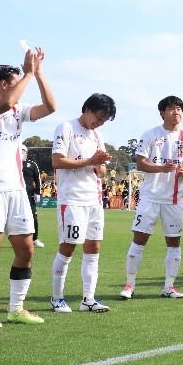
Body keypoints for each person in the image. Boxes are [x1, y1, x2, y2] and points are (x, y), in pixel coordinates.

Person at [0, 47, 56, 329]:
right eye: (17, 81)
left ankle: (16, 309)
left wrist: (38, 74)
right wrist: (28, 72)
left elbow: (50, 107)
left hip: (17, 190)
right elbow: (6, 103)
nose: (22, 85)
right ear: (4, 84)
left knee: (26, 250)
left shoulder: (19, 110)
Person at [119, 95, 183, 300]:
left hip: (173, 199)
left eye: (179, 109)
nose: (176, 112)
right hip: (150, 197)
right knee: (139, 240)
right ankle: (129, 285)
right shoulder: (150, 135)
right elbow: (141, 163)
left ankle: (169, 287)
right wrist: (162, 168)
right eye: (171, 108)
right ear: (162, 113)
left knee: (174, 243)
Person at [50, 93, 116, 313]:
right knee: (68, 247)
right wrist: (90, 161)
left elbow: (101, 172)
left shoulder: (97, 136)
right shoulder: (66, 128)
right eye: (100, 116)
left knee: (93, 247)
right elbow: (57, 161)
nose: (101, 121)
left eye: (105, 119)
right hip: (72, 199)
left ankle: (88, 299)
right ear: (88, 109)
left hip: (94, 200)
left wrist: (100, 163)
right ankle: (57, 298)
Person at [21, 144, 44, 248]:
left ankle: (34, 239)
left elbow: (37, 179)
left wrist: (37, 192)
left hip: (29, 195)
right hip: (16, 195)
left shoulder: (32, 164)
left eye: (23, 151)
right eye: (20, 150)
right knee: (17, 219)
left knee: (33, 217)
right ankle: (20, 240)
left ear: (26, 152)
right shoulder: (12, 164)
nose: (21, 152)